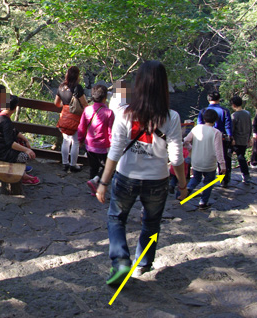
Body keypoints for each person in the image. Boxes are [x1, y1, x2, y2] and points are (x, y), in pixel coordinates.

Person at [96, 60, 187, 286]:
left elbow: (115, 151)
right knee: (152, 222)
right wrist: (183, 186)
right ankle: (144, 261)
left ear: (139, 84)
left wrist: (103, 182)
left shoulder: (124, 113)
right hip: (158, 180)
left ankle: (120, 262)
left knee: (116, 218)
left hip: (126, 176)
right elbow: (176, 158)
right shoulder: (172, 117)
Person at [0, 94, 40, 185]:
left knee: (23, 147)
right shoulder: (5, 121)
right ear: (15, 107)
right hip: (2, 153)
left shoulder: (1, 115)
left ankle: (23, 173)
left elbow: (14, 131)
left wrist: (25, 140)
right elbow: (10, 143)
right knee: (27, 155)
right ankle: (22, 176)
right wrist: (27, 150)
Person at [183, 109, 226, 210]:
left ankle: (188, 189)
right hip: (209, 163)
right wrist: (222, 165)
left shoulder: (196, 128)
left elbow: (186, 141)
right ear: (215, 120)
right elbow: (218, 151)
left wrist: (191, 148)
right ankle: (203, 202)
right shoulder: (216, 132)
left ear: (204, 118)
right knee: (208, 182)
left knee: (196, 178)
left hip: (196, 160)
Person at [78, 84, 114, 194]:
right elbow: (110, 131)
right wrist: (113, 145)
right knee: (108, 167)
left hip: (89, 144)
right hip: (103, 146)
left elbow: (82, 126)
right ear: (105, 98)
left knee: (93, 167)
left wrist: (80, 139)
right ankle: (96, 180)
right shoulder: (109, 113)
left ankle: (93, 188)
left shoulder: (87, 110)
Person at [54, 66, 88, 172]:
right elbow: (85, 104)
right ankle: (73, 165)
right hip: (75, 118)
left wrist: (65, 107)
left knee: (66, 140)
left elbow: (56, 103)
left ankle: (65, 163)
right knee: (75, 142)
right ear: (77, 75)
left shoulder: (61, 87)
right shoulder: (78, 88)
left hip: (64, 116)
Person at [197, 91, 233, 187]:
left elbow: (199, 125)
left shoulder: (203, 111)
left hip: (206, 138)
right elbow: (228, 126)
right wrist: (230, 137)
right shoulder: (225, 111)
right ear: (218, 99)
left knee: (207, 157)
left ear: (208, 99)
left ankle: (206, 179)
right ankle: (224, 180)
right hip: (222, 138)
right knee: (223, 157)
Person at [230, 96, 253, 184]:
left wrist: (232, 139)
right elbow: (250, 127)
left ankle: (244, 175)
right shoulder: (247, 113)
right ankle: (246, 175)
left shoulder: (234, 116)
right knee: (241, 156)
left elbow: (232, 130)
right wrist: (249, 138)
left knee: (239, 157)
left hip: (236, 140)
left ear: (234, 105)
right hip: (245, 139)